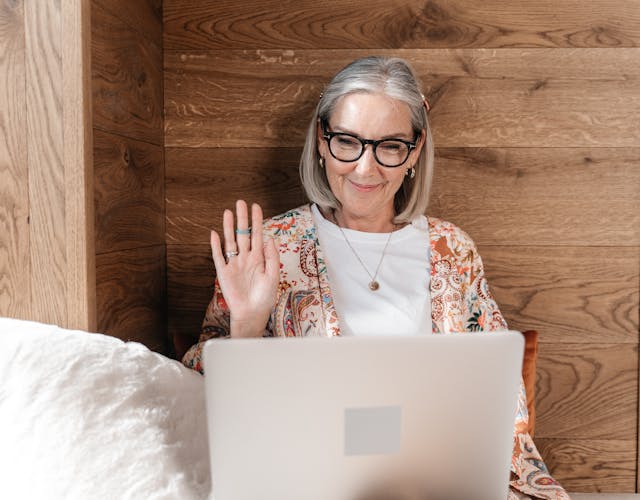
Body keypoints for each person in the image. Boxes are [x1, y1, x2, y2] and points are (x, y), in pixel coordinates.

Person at [182, 56, 569, 500]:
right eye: (348, 141)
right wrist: (247, 328)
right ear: (322, 142)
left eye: (389, 146)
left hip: (434, 484)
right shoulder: (273, 247)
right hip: (312, 484)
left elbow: (500, 394)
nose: (365, 169)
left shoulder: (452, 250)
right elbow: (200, 396)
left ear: (415, 150)